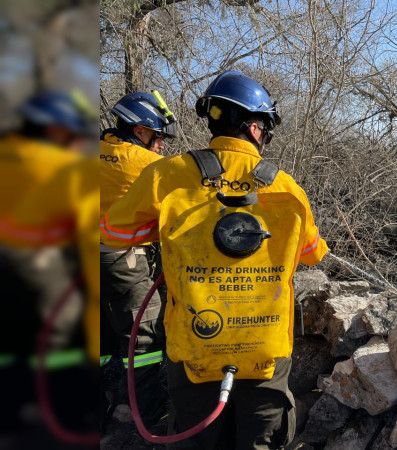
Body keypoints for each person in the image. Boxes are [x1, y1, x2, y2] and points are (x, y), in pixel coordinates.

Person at [102, 71, 328, 449]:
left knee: (198, 437)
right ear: (256, 129)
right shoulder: (285, 187)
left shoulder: (167, 174)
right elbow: (312, 253)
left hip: (195, 344)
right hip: (265, 348)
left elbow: (115, 233)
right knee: (262, 438)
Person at [0, 90, 97, 442]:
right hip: (40, 265)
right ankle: (64, 408)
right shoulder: (60, 167)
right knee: (64, 329)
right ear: (54, 130)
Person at [99, 91, 177, 429]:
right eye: (157, 137)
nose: (160, 145)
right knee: (142, 340)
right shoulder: (149, 166)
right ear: (141, 130)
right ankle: (152, 417)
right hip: (123, 263)